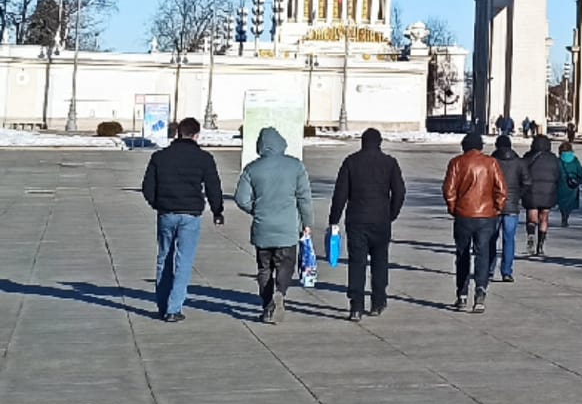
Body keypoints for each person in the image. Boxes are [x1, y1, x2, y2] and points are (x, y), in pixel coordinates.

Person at [141, 116, 224, 322]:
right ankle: (173, 308)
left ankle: (162, 304)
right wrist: (217, 211)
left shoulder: (160, 157)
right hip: (191, 214)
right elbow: (213, 187)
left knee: (164, 258)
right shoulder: (204, 158)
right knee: (184, 262)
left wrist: (158, 204)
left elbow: (147, 187)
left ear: (178, 133)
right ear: (196, 135)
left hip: (166, 213)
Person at [233, 127, 314, 325]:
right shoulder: (295, 166)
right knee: (285, 265)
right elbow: (304, 198)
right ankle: (280, 292)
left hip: (263, 228)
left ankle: (267, 305)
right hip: (287, 228)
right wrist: (307, 223)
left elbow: (240, 198)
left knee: (264, 269)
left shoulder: (252, 169)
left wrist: (256, 210)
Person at [329, 128, 406, 322]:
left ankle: (356, 306)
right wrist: (391, 214)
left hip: (357, 221)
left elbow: (340, 194)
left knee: (357, 263)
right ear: (379, 142)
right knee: (380, 262)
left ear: (362, 142)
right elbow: (399, 192)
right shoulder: (389, 163)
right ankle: (378, 302)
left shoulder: (351, 162)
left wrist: (333, 219)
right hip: (381, 220)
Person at [442, 133, 506, 313]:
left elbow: (449, 189)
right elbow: (501, 189)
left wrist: (453, 207)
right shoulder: (491, 163)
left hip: (463, 215)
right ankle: (480, 292)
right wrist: (497, 208)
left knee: (462, 255)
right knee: (483, 254)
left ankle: (461, 294)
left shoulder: (456, 163)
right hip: (486, 215)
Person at [491, 135, 530, 281]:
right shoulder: (519, 162)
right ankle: (507, 271)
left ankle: (489, 269)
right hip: (512, 206)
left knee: (490, 239)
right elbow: (527, 182)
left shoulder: (491, 162)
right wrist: (518, 195)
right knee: (509, 240)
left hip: (493, 205)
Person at [523, 134, 561, 255]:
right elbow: (558, 175)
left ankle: (531, 235)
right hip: (548, 191)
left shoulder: (528, 157)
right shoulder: (553, 158)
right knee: (544, 217)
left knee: (532, 215)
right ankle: (540, 245)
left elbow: (522, 173)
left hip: (532, 191)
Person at [556, 141, 582, 227]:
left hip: (561, 183)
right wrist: (579, 179)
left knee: (562, 202)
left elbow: (555, 172)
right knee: (570, 202)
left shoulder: (559, 160)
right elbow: (579, 170)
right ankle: (566, 217)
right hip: (572, 184)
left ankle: (563, 215)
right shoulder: (575, 160)